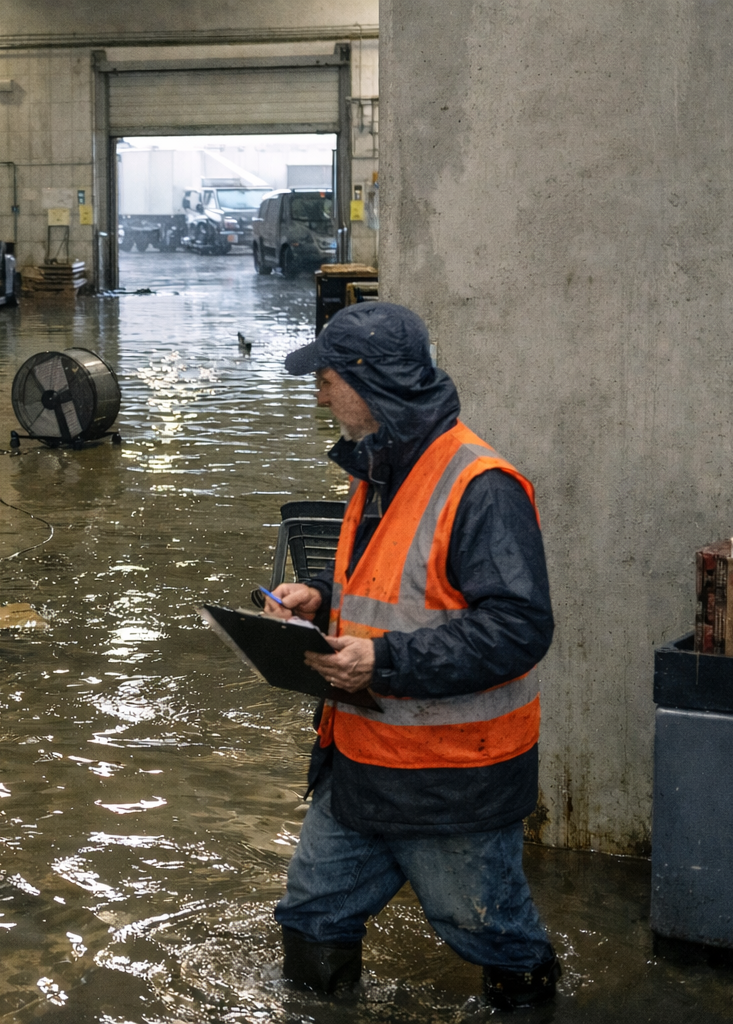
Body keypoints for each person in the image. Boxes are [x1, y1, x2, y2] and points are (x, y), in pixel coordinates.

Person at [265, 302, 561, 1011]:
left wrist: (384, 660)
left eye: (328, 378)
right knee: (311, 917)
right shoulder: (378, 468)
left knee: (486, 932)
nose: (318, 392)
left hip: (452, 777)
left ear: (372, 382)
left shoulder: (481, 485)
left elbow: (519, 628)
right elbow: (396, 588)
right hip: (361, 758)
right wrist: (322, 601)